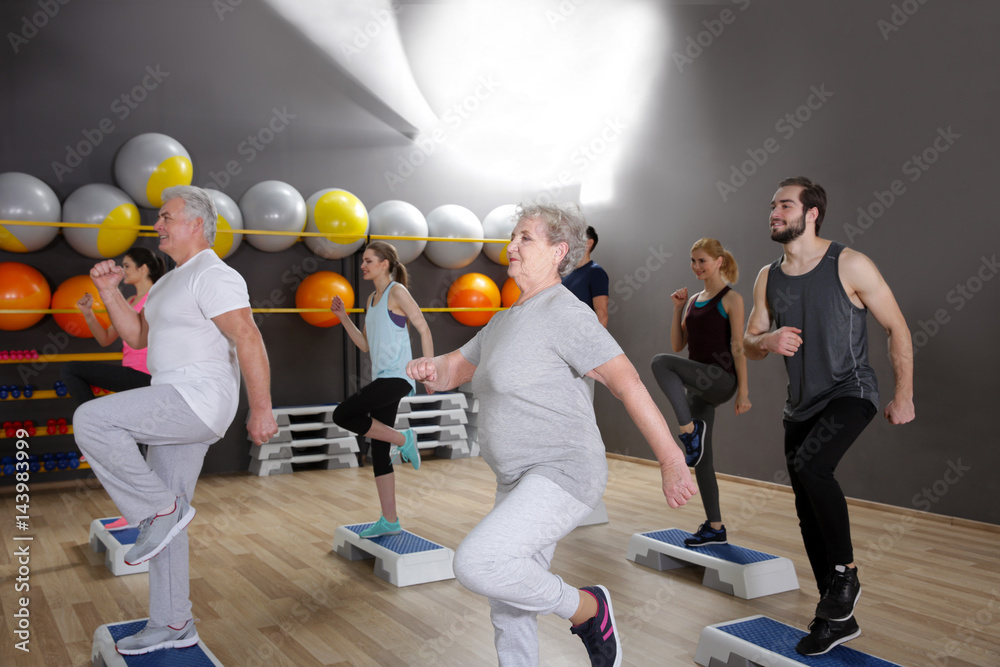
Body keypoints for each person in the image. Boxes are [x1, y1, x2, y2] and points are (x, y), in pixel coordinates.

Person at [407, 202, 697, 667]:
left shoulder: (566, 312)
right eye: (513, 236)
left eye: (526, 238)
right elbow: (451, 371)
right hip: (514, 478)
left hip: (563, 471)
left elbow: (628, 384)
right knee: (508, 605)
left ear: (559, 251)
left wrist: (670, 459)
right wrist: (429, 366)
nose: (512, 246)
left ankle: (588, 610)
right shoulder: (503, 321)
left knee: (477, 564)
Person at [73, 185, 279, 656]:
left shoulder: (213, 274)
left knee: (92, 420)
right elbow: (137, 336)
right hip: (173, 397)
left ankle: (157, 510)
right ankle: (172, 621)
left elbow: (247, 336)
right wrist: (109, 291)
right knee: (166, 527)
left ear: (196, 225)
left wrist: (262, 407)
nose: (158, 225)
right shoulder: (169, 280)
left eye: (166, 217)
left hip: (198, 397)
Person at [744, 176, 914, 656]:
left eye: (784, 205)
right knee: (806, 506)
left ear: (811, 213)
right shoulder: (767, 277)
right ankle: (836, 616)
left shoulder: (850, 263)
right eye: (772, 206)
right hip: (800, 404)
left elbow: (896, 327)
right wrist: (767, 341)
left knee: (811, 466)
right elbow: (749, 342)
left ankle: (846, 574)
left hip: (850, 390)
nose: (774, 213)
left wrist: (905, 395)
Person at [651, 238, 751, 547]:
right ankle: (715, 528)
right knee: (702, 461)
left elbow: (738, 346)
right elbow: (678, 345)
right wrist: (678, 308)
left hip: (720, 379)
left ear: (719, 261)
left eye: (702, 261)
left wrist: (743, 392)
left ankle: (688, 431)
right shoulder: (693, 300)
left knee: (660, 364)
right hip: (698, 383)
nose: (696, 267)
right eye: (693, 261)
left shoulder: (731, 298)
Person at [330, 241, 432, 539]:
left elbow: (423, 326)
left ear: (385, 263)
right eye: (363, 261)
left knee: (343, 413)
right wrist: (343, 318)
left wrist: (429, 369)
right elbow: (365, 345)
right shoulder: (373, 299)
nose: (363, 265)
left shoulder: (396, 291)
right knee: (379, 449)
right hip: (382, 376)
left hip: (398, 377)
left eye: (369, 260)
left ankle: (405, 437)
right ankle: (390, 519)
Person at [61, 246, 166, 405]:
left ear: (142, 268)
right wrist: (88, 313)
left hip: (147, 375)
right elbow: (106, 339)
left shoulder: (157, 297)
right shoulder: (130, 301)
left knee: (71, 370)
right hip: (131, 375)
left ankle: (89, 417)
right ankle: (92, 418)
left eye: (127, 266)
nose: (123, 271)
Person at [561, 225, 609, 327]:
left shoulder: (596, 272)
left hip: (582, 336)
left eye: (577, 238)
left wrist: (595, 342)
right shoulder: (566, 273)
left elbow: (602, 313)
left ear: (589, 243)